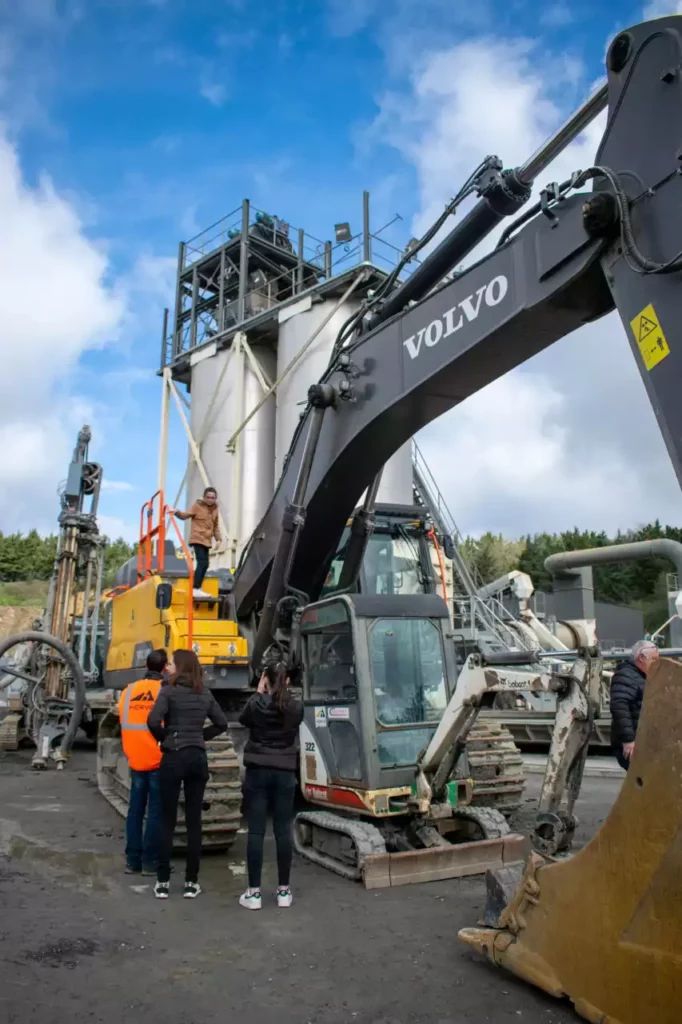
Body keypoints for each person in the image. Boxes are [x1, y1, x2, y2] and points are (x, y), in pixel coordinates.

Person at [147, 649, 228, 899]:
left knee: (167, 821)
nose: (168, 666)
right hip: (197, 759)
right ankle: (192, 883)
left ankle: (162, 882)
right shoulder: (204, 692)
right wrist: (200, 737)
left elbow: (152, 721)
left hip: (173, 757)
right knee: (194, 822)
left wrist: (167, 739)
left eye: (171, 663)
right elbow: (222, 723)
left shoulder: (168, 691)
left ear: (180, 667)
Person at [238, 662, 304, 911]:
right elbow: (294, 720)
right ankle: (284, 891)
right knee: (282, 830)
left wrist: (258, 692)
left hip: (257, 772)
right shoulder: (295, 706)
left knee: (255, 831)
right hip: (285, 772)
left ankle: (254, 894)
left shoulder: (255, 703)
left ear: (265, 679)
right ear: (286, 680)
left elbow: (244, 720)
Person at [118, 648, 168, 875]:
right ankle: (150, 863)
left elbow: (123, 718)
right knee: (156, 812)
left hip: (135, 759)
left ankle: (132, 861)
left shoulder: (128, 691)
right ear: (165, 668)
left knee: (135, 811)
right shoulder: (165, 692)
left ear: (146, 666)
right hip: (158, 760)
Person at [610, 638, 660, 771]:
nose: (656, 664)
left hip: (644, 742)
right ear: (641, 658)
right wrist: (628, 741)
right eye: (654, 660)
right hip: (633, 744)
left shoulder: (642, 676)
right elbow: (619, 707)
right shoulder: (626, 675)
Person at [169, 487, 221, 599]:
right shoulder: (197, 507)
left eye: (213, 498)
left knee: (206, 564)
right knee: (202, 562)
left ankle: (198, 588)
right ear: (204, 497)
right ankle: (195, 588)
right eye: (208, 497)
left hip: (207, 540)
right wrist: (177, 512)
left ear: (215, 498)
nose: (210, 499)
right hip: (197, 538)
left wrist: (218, 539)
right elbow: (184, 515)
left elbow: (216, 526)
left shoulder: (215, 510)